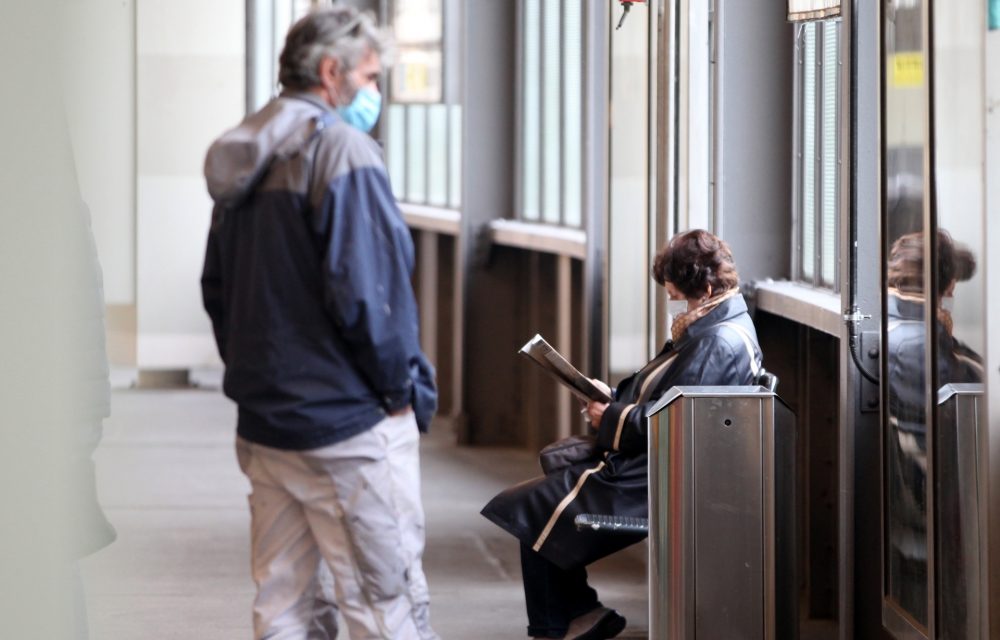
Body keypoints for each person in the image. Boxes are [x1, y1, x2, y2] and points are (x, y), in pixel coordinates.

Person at [200, 7, 438, 639]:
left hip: (266, 425)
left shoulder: (242, 155)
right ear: (332, 72)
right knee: (382, 602)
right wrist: (397, 395)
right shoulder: (341, 150)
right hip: (347, 427)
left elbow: (216, 290)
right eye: (369, 75)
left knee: (284, 605)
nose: (374, 92)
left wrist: (260, 376)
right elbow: (371, 297)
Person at [482, 229, 763, 640]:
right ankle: (578, 615)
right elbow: (672, 404)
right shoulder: (716, 323)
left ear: (703, 288)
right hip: (656, 465)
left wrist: (611, 416)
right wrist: (611, 401)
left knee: (530, 512)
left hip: (657, 479)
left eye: (678, 294)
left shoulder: (716, 341)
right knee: (534, 508)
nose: (674, 304)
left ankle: (567, 622)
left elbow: (674, 423)